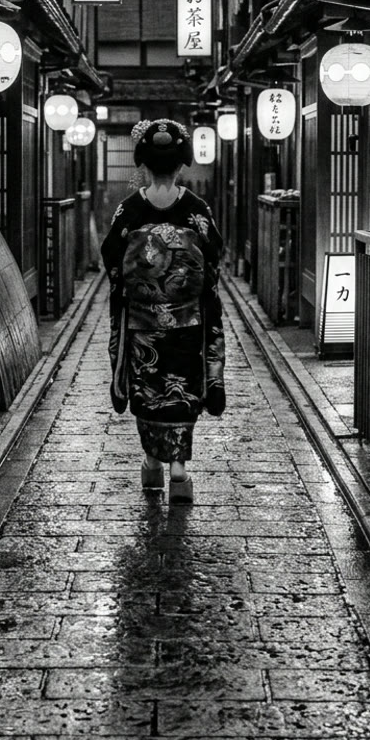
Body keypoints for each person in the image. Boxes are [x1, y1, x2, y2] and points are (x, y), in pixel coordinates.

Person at [100, 117, 226, 504]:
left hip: (143, 325)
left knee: (149, 390)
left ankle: (152, 465)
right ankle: (179, 472)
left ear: (143, 163)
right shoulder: (196, 208)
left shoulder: (129, 210)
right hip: (187, 322)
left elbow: (111, 259)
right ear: (181, 162)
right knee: (182, 390)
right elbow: (215, 258)